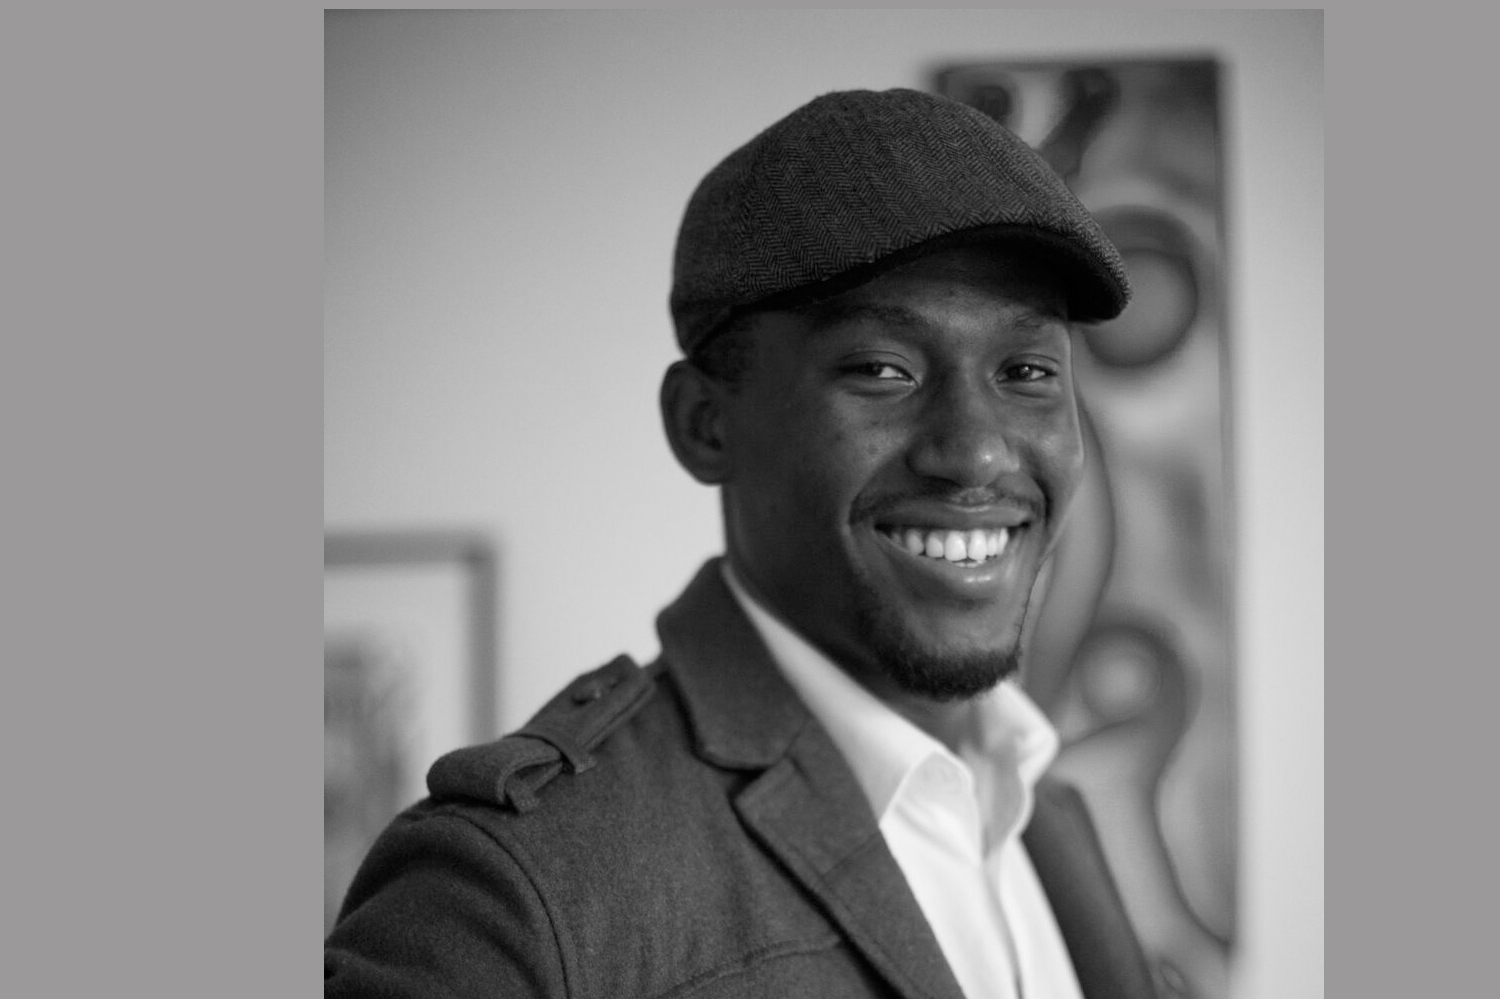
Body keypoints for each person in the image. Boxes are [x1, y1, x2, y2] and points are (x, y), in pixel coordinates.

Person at [325, 87, 1156, 999]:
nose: (977, 452)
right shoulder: (511, 894)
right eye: (882, 369)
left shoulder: (1047, 814)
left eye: (1027, 371)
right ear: (704, 423)